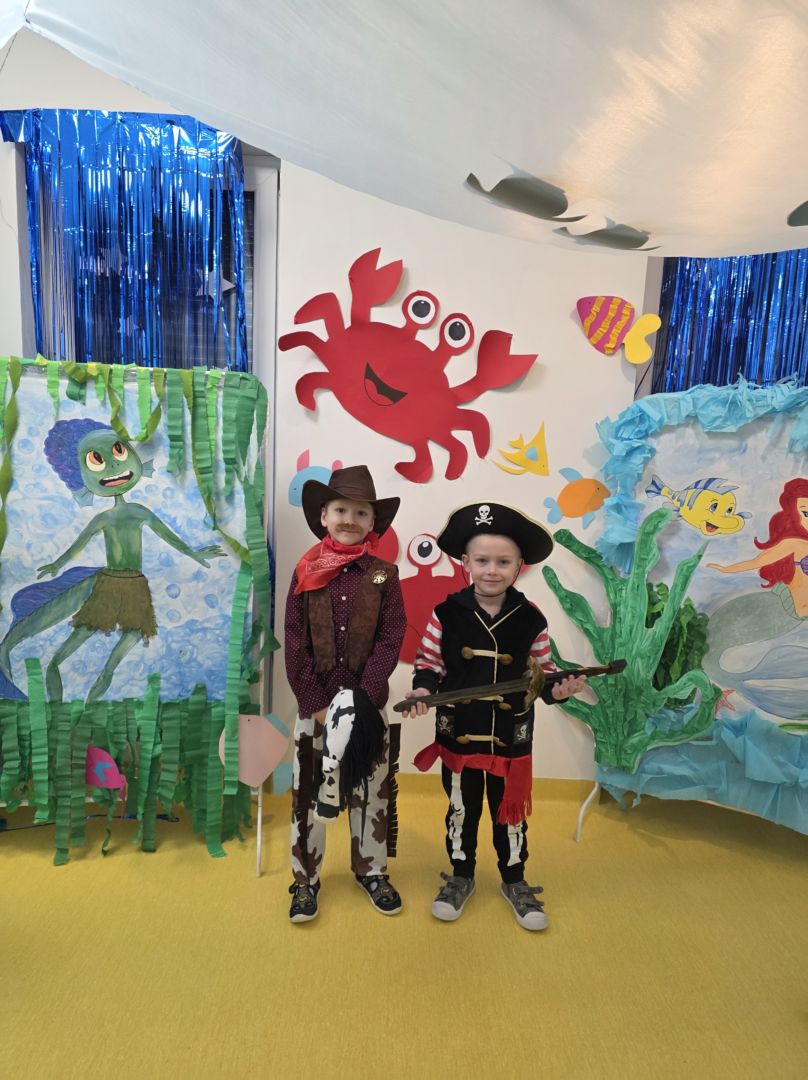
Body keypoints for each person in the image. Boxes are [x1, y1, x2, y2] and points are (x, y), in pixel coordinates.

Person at [402, 502, 586, 931]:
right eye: (482, 560)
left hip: (509, 736)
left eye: (503, 562)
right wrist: (423, 690)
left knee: (510, 813)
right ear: (465, 563)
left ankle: (514, 880)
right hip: (459, 732)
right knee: (461, 811)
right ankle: (461, 876)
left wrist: (559, 690)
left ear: (520, 566)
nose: (492, 570)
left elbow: (543, 673)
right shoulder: (445, 613)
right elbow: (428, 663)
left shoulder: (532, 617)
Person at [284, 465, 407, 923]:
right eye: (341, 510)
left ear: (373, 522)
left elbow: (390, 638)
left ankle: (371, 870)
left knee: (371, 791)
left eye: (360, 513)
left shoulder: (384, 576)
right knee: (308, 794)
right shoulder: (304, 572)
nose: (349, 520)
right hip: (315, 705)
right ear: (324, 516)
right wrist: (315, 703)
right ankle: (305, 878)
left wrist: (363, 700)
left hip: (367, 707)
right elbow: (294, 638)